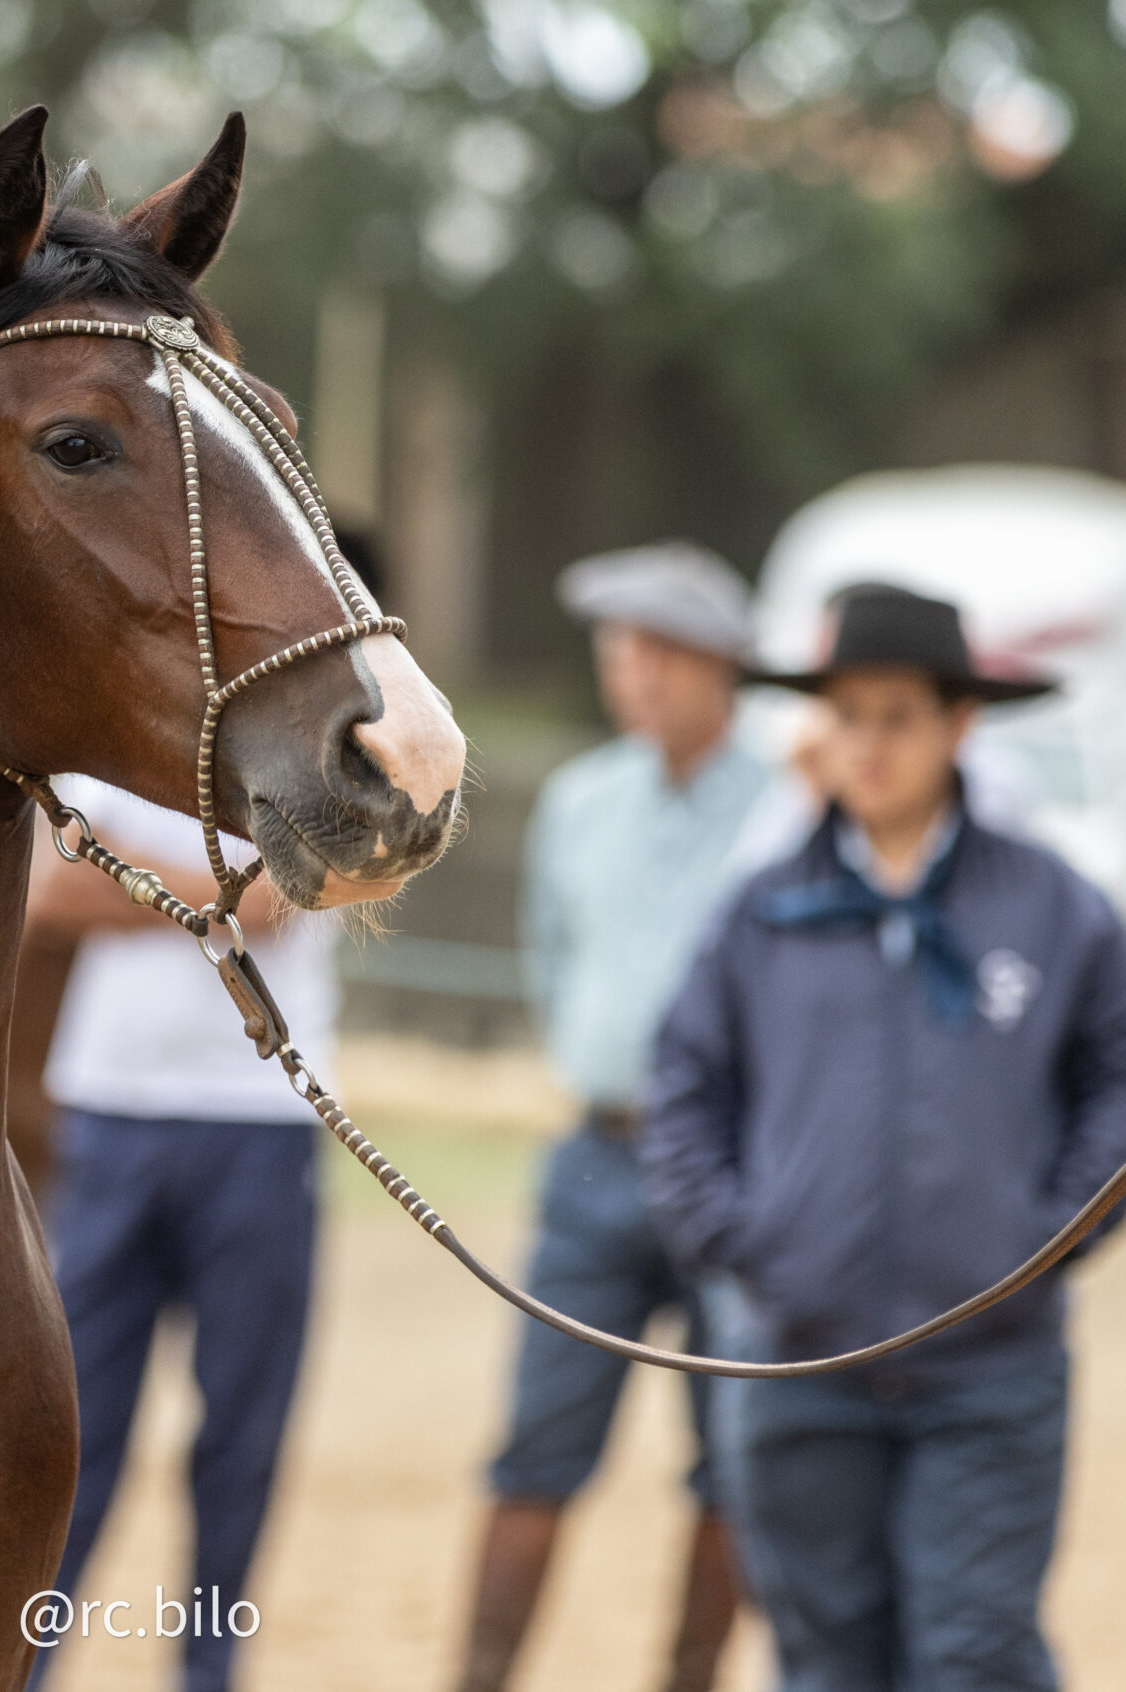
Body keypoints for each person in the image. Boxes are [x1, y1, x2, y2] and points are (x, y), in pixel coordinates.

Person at [644, 584, 1126, 1692]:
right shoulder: (758, 911)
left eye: (896, 717)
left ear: (959, 723)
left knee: (972, 1656)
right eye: (846, 716)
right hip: (798, 1363)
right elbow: (683, 1083)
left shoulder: (1055, 907)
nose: (867, 746)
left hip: (990, 1371)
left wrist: (1051, 1230)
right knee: (825, 1662)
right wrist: (740, 1236)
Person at [452, 542, 770, 1692]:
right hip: (596, 1157)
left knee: (735, 1461)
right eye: (620, 649)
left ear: (724, 667)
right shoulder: (581, 802)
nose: (634, 673)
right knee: (534, 1447)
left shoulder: (788, 805)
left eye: (661, 652)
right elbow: (554, 959)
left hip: (739, 1162)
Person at [23, 775, 336, 1692]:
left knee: (240, 1433)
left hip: (259, 1119)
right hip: (113, 1111)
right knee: (78, 1425)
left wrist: (126, 876)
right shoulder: (100, 759)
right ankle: (30, 1664)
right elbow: (51, 893)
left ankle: (208, 1669)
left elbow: (282, 904)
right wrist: (216, 903)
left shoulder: (300, 754)